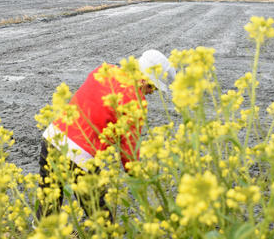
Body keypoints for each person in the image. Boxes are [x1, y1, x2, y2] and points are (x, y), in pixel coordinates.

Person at [38, 50, 176, 217]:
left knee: (48, 203)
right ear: (143, 79)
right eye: (151, 87)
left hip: (53, 138)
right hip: (81, 157)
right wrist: (137, 177)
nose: (151, 92)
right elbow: (129, 150)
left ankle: (43, 237)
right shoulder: (136, 102)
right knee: (100, 217)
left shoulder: (103, 70)